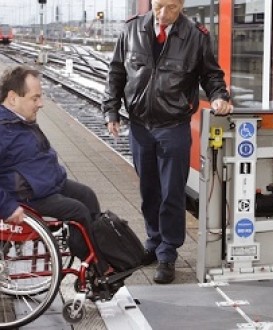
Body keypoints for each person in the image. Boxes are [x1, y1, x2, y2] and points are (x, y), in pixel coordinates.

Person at [101, 0, 232, 284]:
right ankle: (153, 242)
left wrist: (220, 95)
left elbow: (211, 74)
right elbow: (116, 73)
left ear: (182, 5)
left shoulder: (196, 36)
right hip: (140, 126)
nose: (163, 14)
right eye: (159, 5)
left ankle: (168, 253)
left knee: (172, 192)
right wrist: (111, 110)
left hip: (173, 126)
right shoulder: (131, 30)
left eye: (171, 7)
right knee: (149, 190)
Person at [0, 65, 110, 275]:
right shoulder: (3, 129)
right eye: (35, 98)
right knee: (78, 211)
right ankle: (95, 265)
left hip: (46, 185)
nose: (40, 104)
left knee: (87, 195)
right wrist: (7, 207)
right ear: (13, 98)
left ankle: (100, 250)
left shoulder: (19, 120)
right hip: (27, 197)